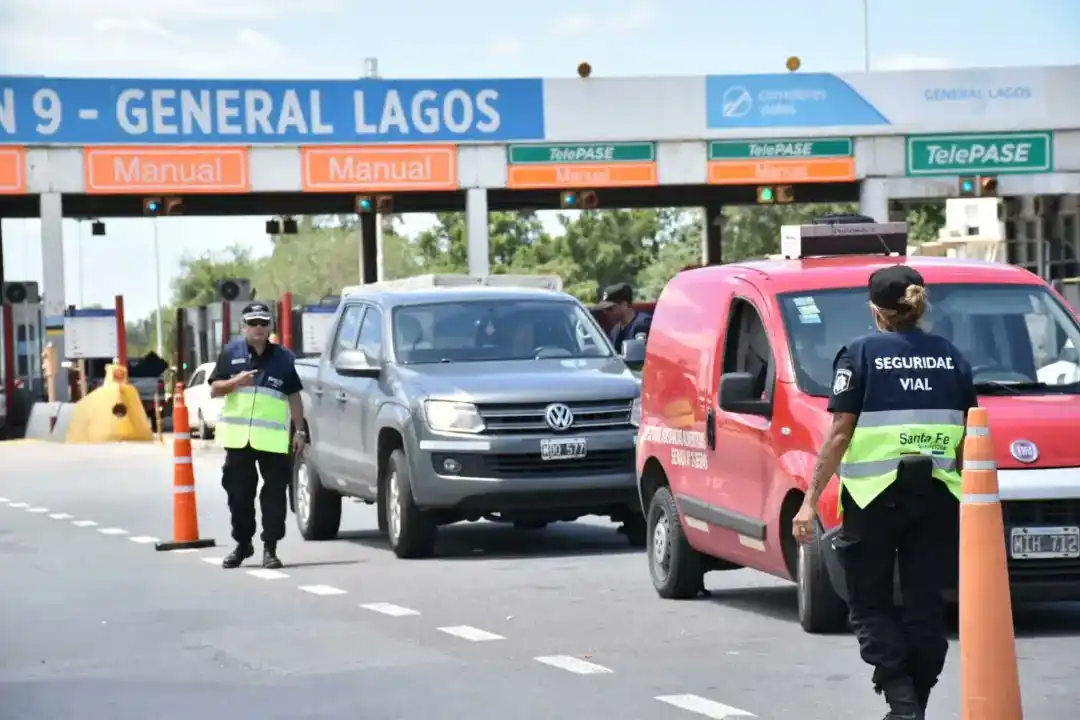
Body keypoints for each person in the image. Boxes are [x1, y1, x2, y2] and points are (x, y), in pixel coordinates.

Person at [791, 266, 976, 720]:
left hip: (873, 497)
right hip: (938, 497)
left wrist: (809, 501)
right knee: (925, 605)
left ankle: (902, 704)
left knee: (869, 603)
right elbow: (969, 434)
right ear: (920, 304)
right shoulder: (951, 357)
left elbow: (839, 435)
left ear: (875, 309)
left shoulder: (860, 354)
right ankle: (914, 705)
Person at [208, 302, 307, 570]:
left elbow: (294, 396)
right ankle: (243, 544)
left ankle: (270, 548)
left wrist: (300, 431)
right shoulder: (231, 353)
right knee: (239, 495)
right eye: (253, 323)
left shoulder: (284, 358)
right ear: (243, 327)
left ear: (271, 326)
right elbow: (214, 389)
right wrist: (235, 382)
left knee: (274, 497)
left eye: (264, 323)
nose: (258, 328)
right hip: (238, 441)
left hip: (273, 441)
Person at [597, 282, 652, 351]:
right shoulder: (616, 331)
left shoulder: (643, 324)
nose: (605, 312)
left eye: (609, 308)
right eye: (604, 309)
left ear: (624, 305)